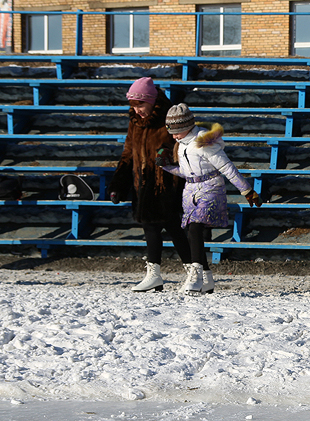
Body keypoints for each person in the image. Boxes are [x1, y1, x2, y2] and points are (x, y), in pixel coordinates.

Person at [157, 103, 261, 295]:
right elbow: (187, 172)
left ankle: (195, 276)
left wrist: (247, 190)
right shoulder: (181, 145)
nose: (173, 136)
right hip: (190, 190)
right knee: (190, 230)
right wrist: (166, 167)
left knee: (196, 227)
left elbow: (227, 167)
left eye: (176, 131)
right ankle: (207, 279)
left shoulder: (204, 141)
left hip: (211, 187)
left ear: (186, 126)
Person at [109, 77, 194, 293]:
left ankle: (194, 272)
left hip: (168, 183)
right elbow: (128, 152)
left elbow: (182, 144)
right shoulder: (135, 122)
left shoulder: (169, 116)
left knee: (174, 228)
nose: (137, 110)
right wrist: (118, 184)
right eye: (133, 106)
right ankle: (154, 274)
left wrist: (165, 155)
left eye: (140, 105)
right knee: (150, 227)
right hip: (142, 183)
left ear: (152, 101)